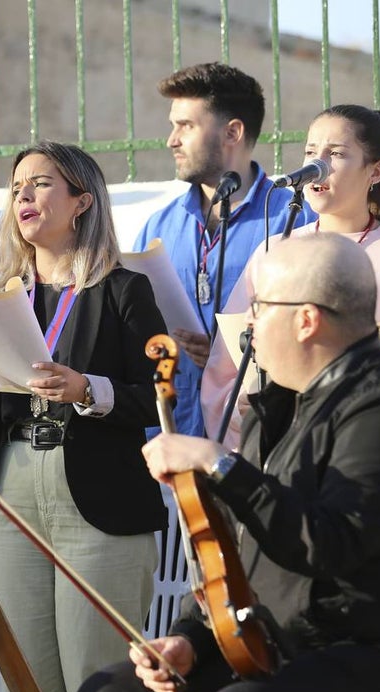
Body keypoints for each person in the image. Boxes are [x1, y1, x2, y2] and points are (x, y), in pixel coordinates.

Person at [75, 232, 380, 692]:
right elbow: (231, 550)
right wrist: (191, 638)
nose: (247, 324)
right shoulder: (280, 403)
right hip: (281, 647)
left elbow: (329, 544)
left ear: (306, 320)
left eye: (259, 307)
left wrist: (220, 465)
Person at [0, 142, 166, 692]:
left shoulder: (126, 290)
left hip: (97, 494)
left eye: (42, 183)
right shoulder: (3, 296)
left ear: (81, 202)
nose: (23, 194)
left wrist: (88, 390)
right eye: (17, 185)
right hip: (12, 489)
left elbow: (160, 393)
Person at [201, 104, 380, 445]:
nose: (318, 166)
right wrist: (245, 408)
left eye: (336, 154)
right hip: (285, 448)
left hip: (372, 443)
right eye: (311, 152)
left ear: (375, 172)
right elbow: (224, 370)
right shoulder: (275, 250)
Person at [134, 62, 314, 438]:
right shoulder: (157, 228)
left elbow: (317, 329)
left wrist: (226, 353)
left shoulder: (295, 218)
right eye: (173, 126)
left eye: (186, 126)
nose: (171, 140)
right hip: (172, 437)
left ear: (233, 132)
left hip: (259, 436)